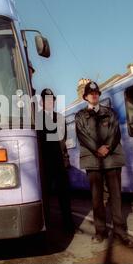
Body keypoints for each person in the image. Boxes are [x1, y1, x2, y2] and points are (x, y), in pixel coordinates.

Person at [74, 81, 133, 246]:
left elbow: (116, 133)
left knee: (116, 196)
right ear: (85, 96)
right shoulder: (80, 116)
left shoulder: (110, 112)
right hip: (93, 161)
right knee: (96, 198)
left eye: (96, 93)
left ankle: (120, 232)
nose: (94, 95)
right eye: (90, 93)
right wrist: (97, 149)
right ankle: (100, 232)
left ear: (99, 95)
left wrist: (107, 148)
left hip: (112, 158)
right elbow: (82, 135)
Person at [39, 88, 82, 234]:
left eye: (52, 100)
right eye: (47, 100)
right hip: (45, 163)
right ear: (42, 102)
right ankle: (46, 226)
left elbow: (63, 141)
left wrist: (66, 159)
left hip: (60, 162)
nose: (50, 102)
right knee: (45, 197)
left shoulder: (60, 118)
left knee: (64, 195)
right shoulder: (37, 119)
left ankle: (69, 225)